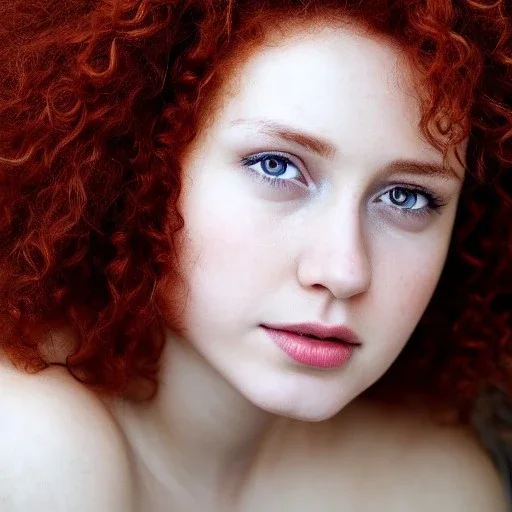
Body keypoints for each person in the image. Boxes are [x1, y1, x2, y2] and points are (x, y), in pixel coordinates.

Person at [0, 0, 511, 510]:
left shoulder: (434, 486)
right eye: (276, 166)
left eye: (406, 197)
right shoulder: (29, 442)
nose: (343, 271)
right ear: (142, 161)